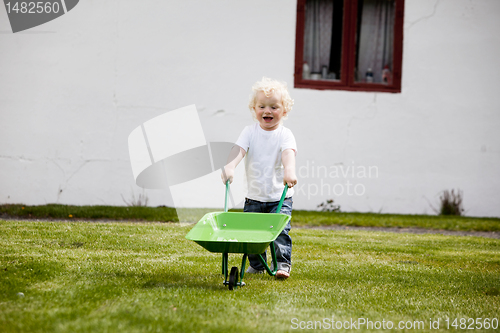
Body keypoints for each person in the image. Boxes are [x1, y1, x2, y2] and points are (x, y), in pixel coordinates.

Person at [221, 77, 297, 279]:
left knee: (279, 232)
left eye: (274, 107)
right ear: (254, 109)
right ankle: (257, 264)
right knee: (252, 234)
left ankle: (282, 263)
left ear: (284, 110)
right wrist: (230, 165)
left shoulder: (285, 134)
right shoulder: (249, 132)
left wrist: (289, 170)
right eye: (262, 106)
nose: (267, 111)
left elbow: (288, 152)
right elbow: (239, 149)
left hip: (279, 196)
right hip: (254, 196)